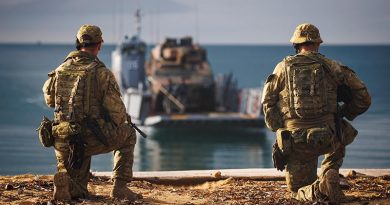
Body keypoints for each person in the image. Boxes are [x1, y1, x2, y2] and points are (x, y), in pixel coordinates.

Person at [261, 23, 371, 203]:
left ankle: (320, 188)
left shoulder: (282, 67)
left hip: (297, 143)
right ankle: (329, 174)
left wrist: (278, 128)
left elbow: (268, 102)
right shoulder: (332, 67)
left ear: (296, 45)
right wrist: (344, 112)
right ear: (318, 43)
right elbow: (363, 97)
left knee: (297, 191)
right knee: (340, 131)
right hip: (329, 136)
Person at [42, 25, 141, 201]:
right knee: (129, 134)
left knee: (79, 191)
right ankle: (120, 187)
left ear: (78, 44)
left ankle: (69, 187)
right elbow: (117, 113)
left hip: (62, 140)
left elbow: (50, 101)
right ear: (99, 45)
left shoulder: (60, 69)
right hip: (88, 139)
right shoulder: (101, 73)